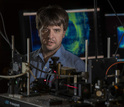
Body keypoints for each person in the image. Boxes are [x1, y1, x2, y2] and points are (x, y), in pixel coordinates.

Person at [29, 5, 85, 87]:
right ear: (38, 32)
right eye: (45, 30)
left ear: (64, 33)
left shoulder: (76, 65)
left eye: (56, 30)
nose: (50, 36)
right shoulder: (26, 61)